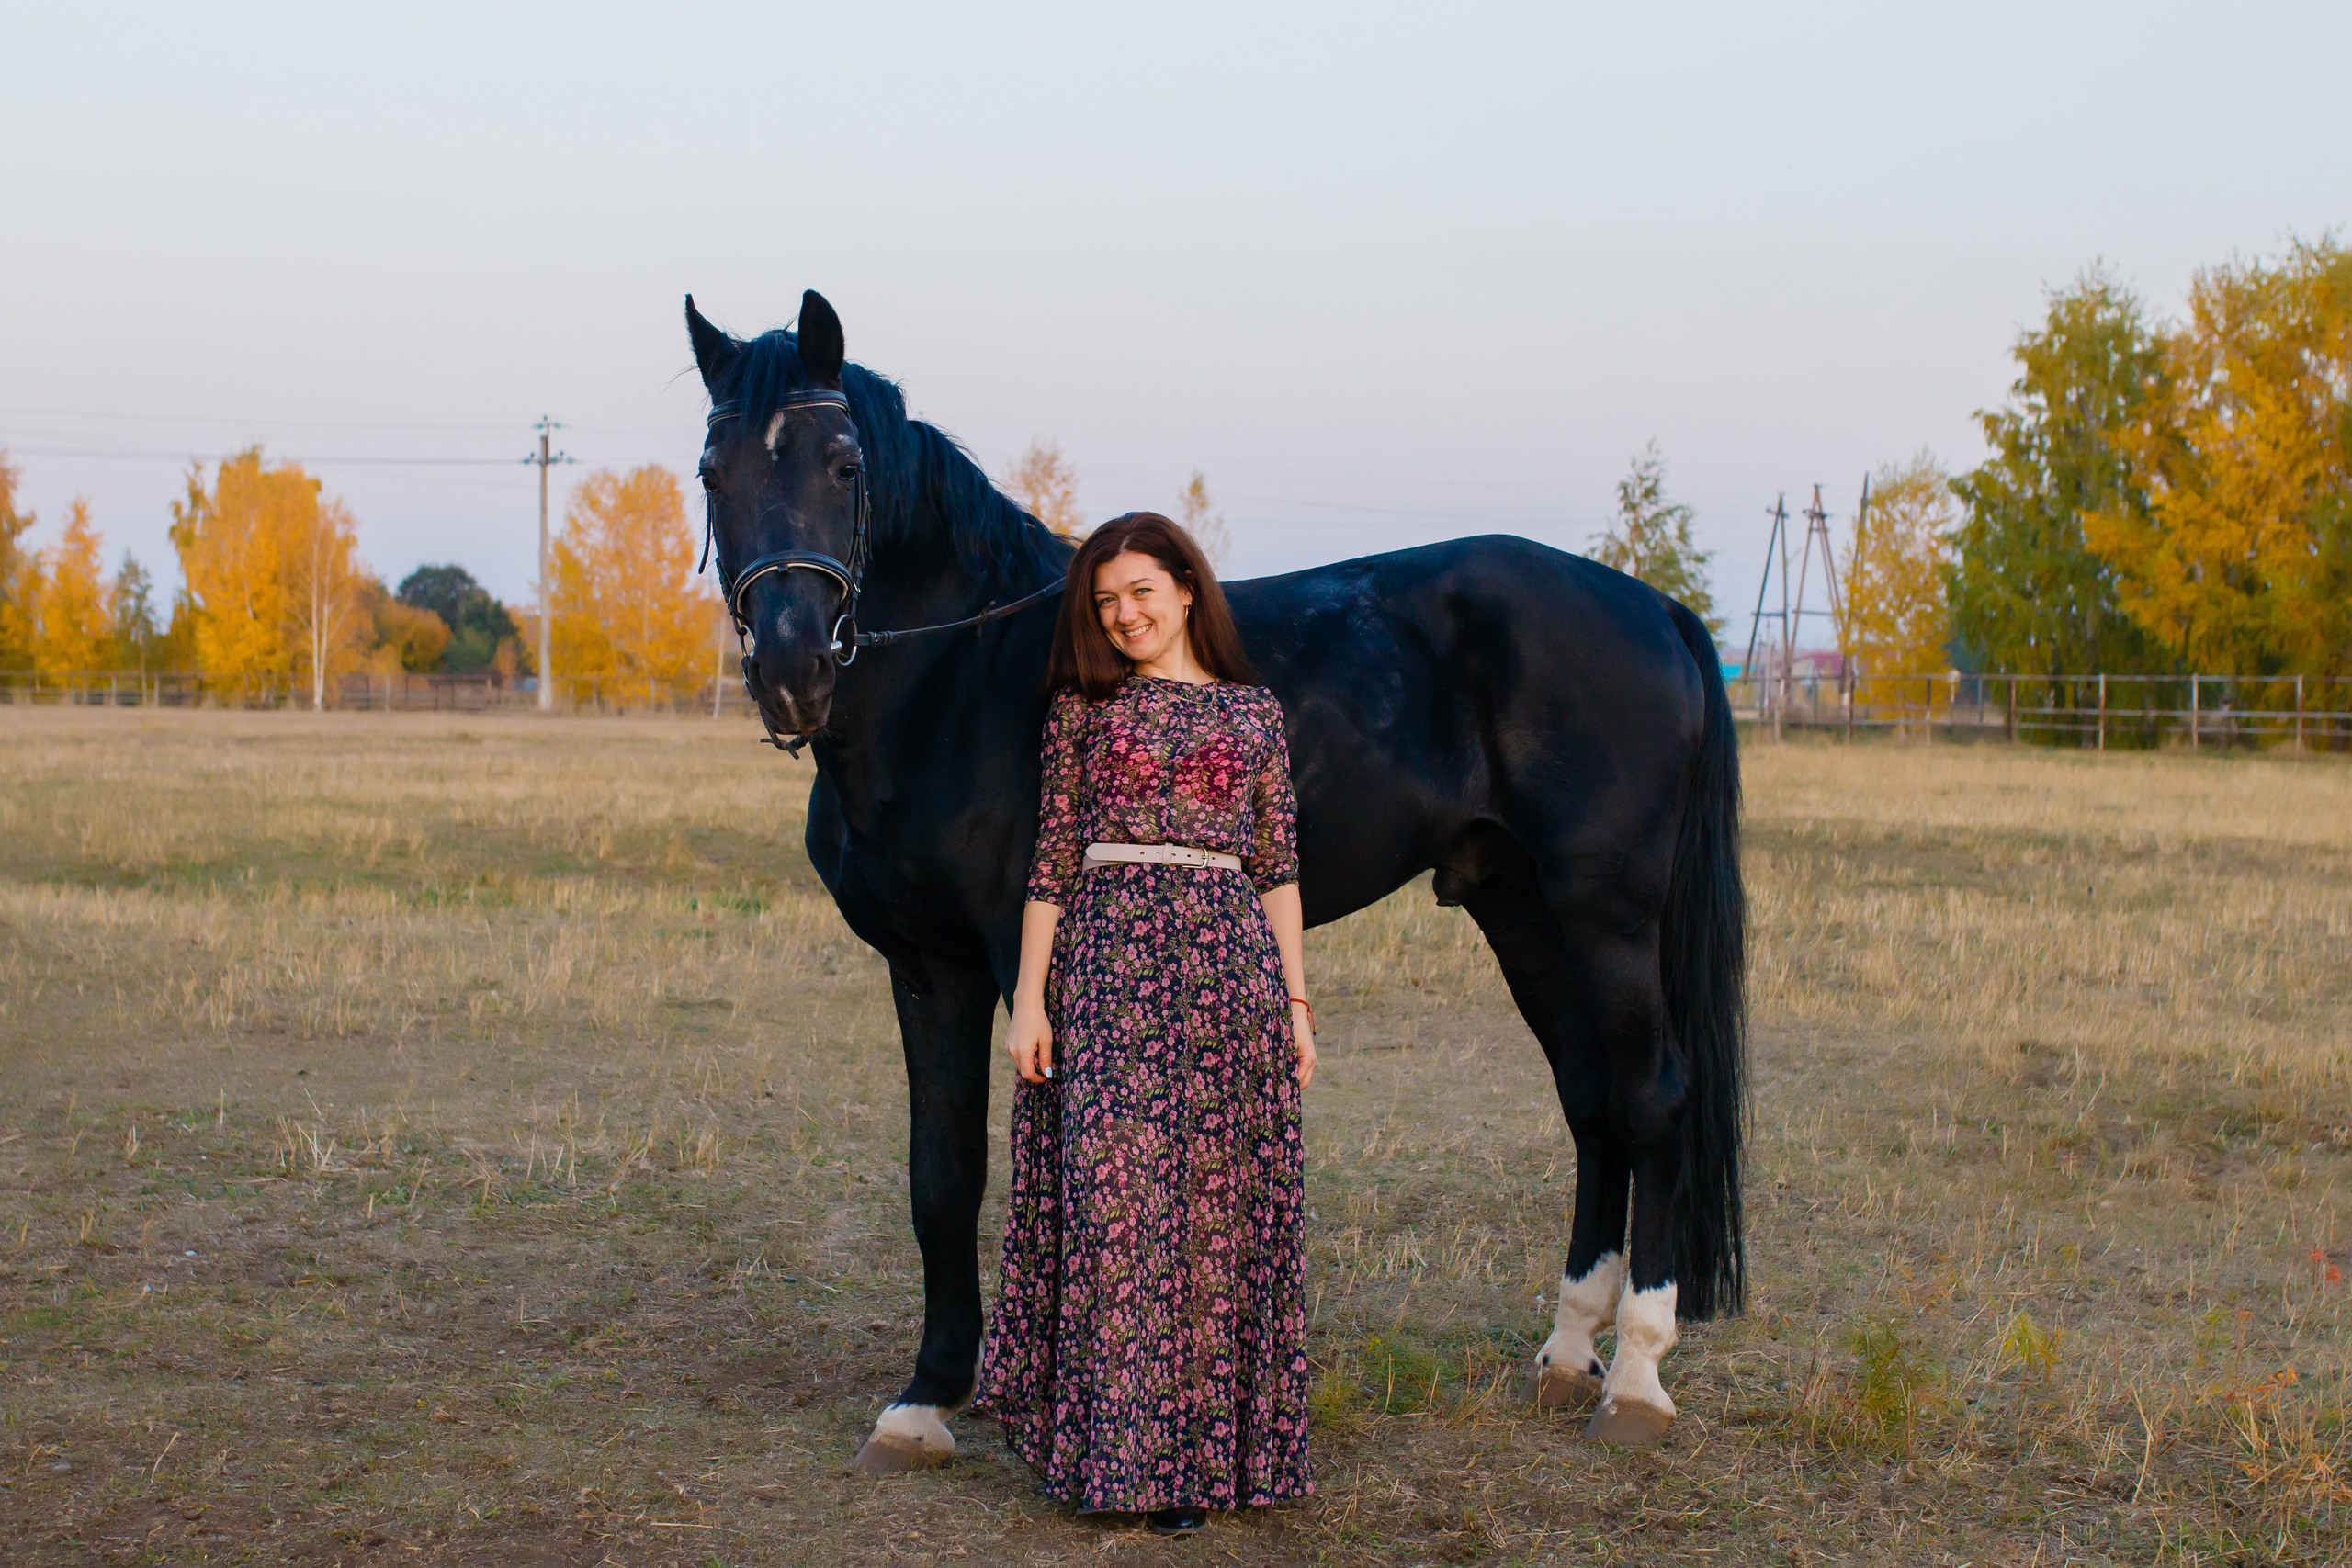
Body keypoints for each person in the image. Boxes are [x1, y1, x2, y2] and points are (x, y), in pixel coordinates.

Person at [972, 512, 1316, 1538]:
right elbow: (1050, 862)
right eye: (1105, 601)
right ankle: (1120, 1458)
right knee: (1119, 1214)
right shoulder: (1083, 710)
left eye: (1139, 593)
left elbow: (1277, 867)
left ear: (1186, 589)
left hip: (1229, 978)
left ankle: (1207, 1461)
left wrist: (1296, 1004)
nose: (1123, 616)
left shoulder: (1256, 715)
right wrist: (1029, 1001)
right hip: (1109, 970)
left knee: (1214, 1223)